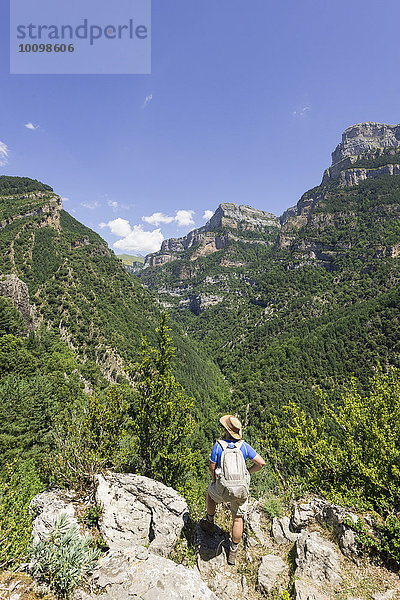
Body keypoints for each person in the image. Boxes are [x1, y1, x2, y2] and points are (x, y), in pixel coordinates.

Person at [199, 414, 266, 565]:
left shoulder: (219, 446)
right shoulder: (244, 446)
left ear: (226, 430)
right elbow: (261, 463)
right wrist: (248, 471)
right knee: (238, 518)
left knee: (210, 494)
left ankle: (209, 523)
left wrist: (214, 480)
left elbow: (211, 467)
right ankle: (233, 553)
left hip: (223, 488)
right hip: (241, 489)